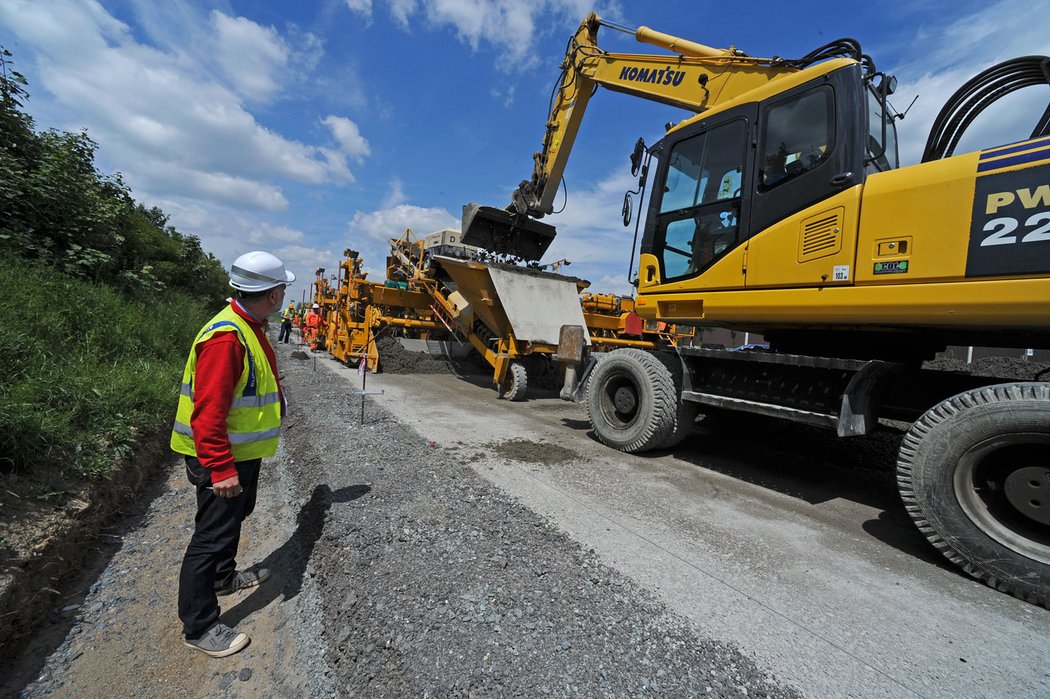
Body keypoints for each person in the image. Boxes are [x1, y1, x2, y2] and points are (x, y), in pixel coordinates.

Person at [170, 250, 294, 658]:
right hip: (220, 457)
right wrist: (221, 468)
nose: (284, 297)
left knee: (234, 519)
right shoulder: (227, 337)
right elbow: (207, 416)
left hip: (238, 453)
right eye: (283, 290)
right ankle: (200, 625)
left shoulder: (247, 324)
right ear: (274, 295)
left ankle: (223, 578)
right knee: (212, 535)